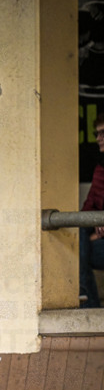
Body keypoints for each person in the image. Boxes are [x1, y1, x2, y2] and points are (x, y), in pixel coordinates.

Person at [79, 113, 104, 307]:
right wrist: (94, 221)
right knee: (74, 239)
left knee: (78, 251)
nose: (98, 139)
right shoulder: (100, 168)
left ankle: (89, 303)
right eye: (97, 133)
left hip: (99, 240)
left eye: (103, 133)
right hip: (95, 237)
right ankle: (90, 303)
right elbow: (87, 208)